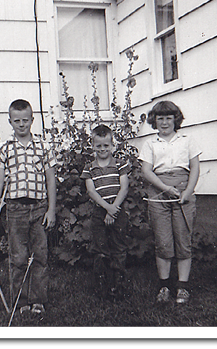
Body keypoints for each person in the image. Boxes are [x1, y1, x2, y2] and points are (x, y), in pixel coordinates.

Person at [0, 99, 57, 315]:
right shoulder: (4, 148)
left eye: (25, 120)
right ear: (10, 121)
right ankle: (20, 302)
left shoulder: (43, 146)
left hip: (39, 207)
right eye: (16, 121)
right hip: (15, 209)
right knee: (18, 258)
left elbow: (51, 179)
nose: (21, 125)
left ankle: (38, 301)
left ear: (32, 120)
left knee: (40, 256)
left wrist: (51, 209)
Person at [139, 101, 201, 305]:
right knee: (163, 241)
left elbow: (195, 169)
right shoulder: (150, 144)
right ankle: (164, 285)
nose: (164, 122)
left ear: (176, 119)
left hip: (183, 193)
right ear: (154, 121)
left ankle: (182, 287)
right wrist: (165, 188)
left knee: (183, 240)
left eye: (168, 117)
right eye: (160, 118)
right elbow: (147, 171)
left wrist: (187, 192)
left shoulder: (187, 140)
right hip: (159, 193)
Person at [80, 124, 130, 300]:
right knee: (100, 248)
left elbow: (124, 188)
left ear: (112, 145)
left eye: (106, 145)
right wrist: (107, 208)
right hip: (99, 211)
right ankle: (102, 286)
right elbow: (91, 192)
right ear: (93, 146)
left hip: (118, 210)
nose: (102, 149)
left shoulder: (120, 164)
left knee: (119, 247)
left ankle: (118, 286)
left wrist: (113, 209)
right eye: (98, 146)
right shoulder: (90, 168)